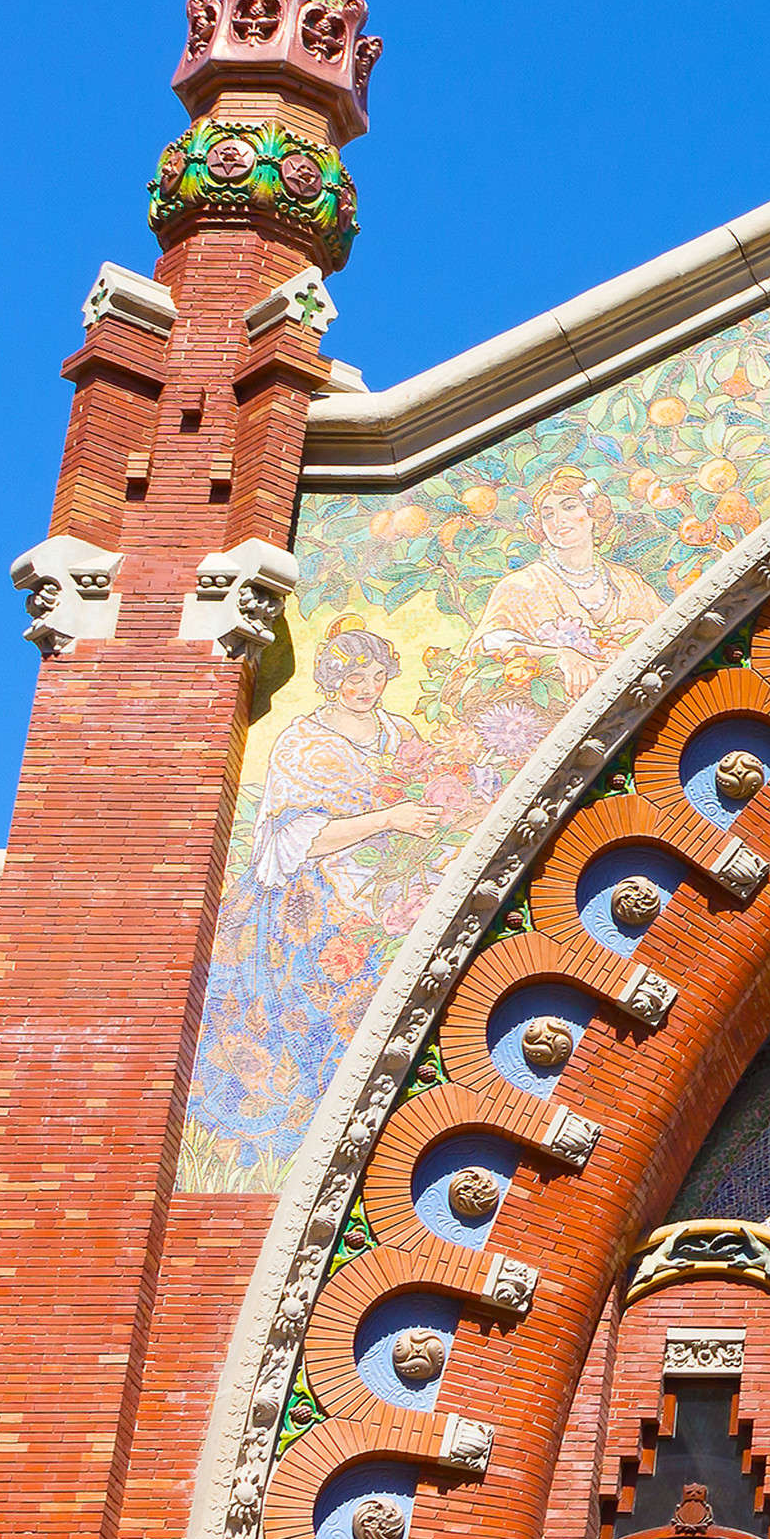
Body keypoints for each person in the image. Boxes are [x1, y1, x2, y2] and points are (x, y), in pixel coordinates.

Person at [188, 629, 448, 1177]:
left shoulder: (398, 733)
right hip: (309, 903)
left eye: (377, 678)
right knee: (310, 1013)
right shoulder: (304, 742)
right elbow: (293, 837)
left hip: (389, 888)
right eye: (355, 678)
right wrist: (387, 819)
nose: (367, 689)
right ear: (332, 680)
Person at [473, 467, 663, 670]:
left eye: (570, 507)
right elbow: (485, 650)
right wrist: (558, 655)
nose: (558, 520)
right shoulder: (520, 586)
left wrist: (647, 631)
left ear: (594, 512)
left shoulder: (628, 582)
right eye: (547, 515)